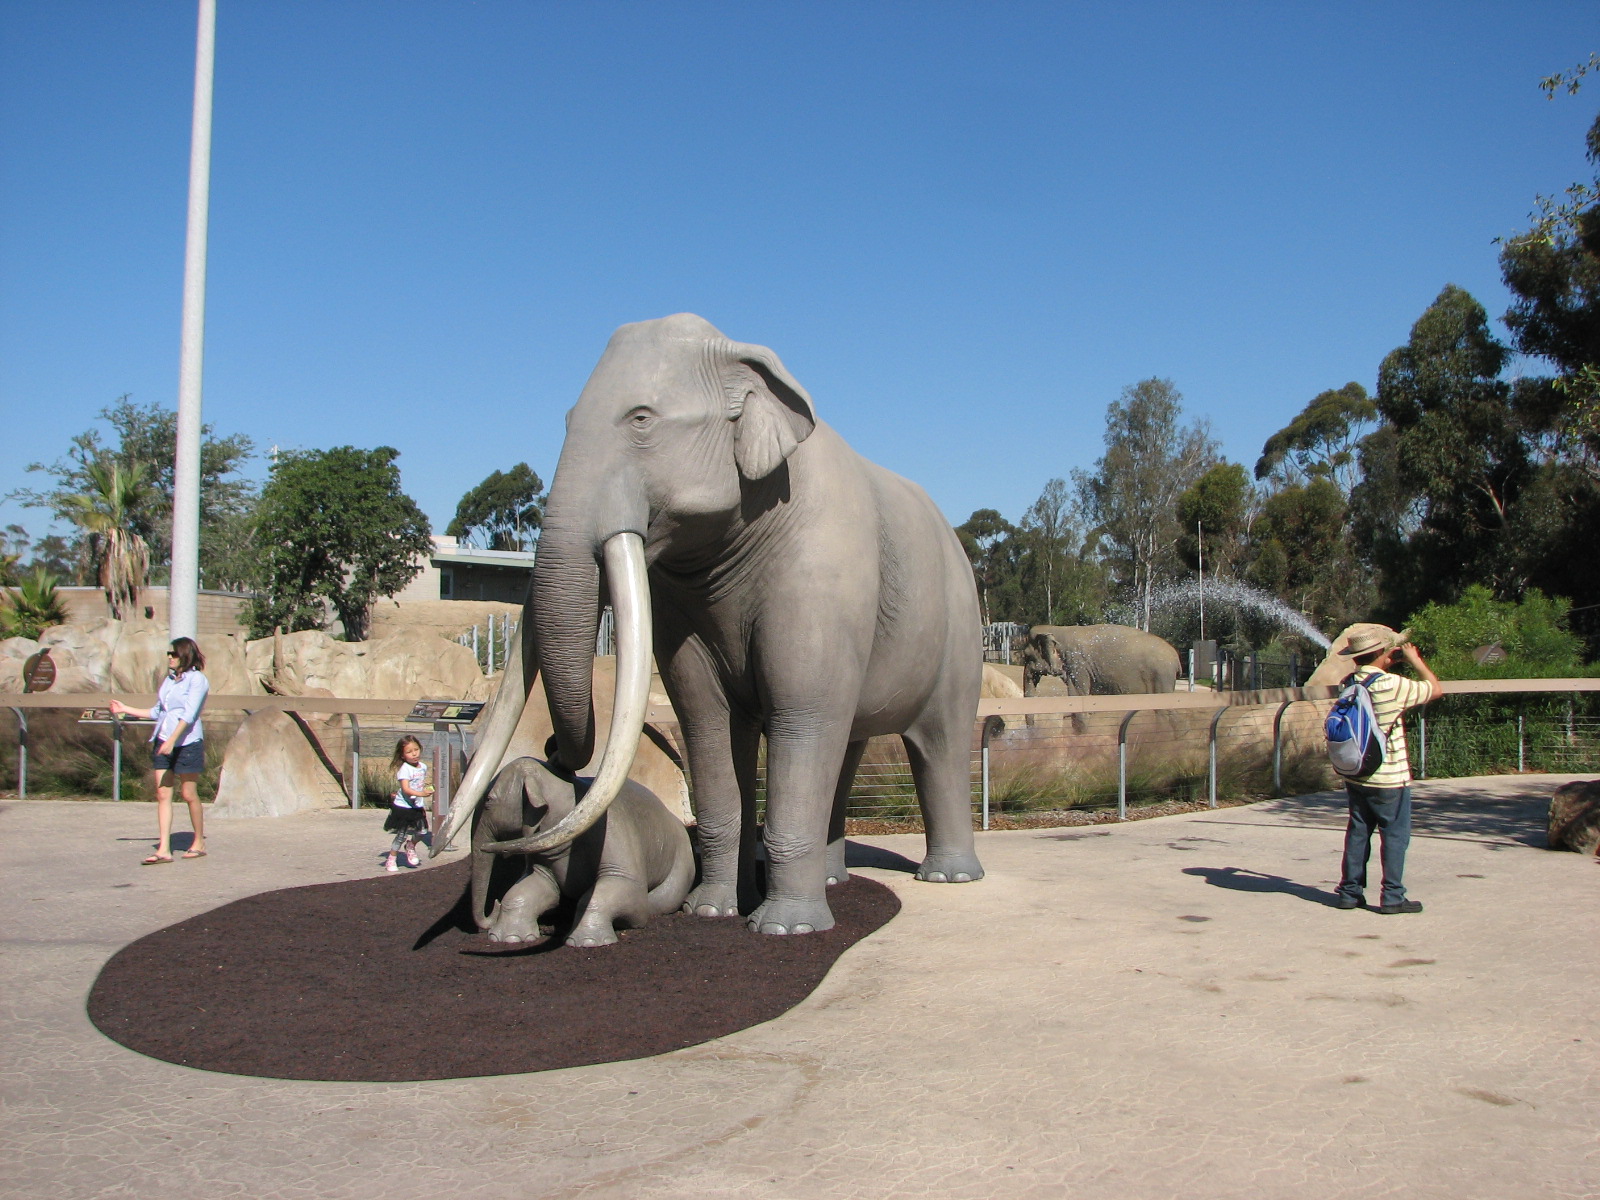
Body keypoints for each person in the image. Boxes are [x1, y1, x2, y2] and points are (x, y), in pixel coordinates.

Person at [1332, 628, 1440, 914]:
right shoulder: (1391, 684)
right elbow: (1434, 689)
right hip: (1390, 777)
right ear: (1381, 653)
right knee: (1394, 835)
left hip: (1357, 772)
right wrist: (1414, 660)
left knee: (1358, 832)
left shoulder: (1348, 683)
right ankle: (1393, 897)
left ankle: (1349, 892)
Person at [110, 637, 210, 865]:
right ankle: (164, 848)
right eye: (169, 654)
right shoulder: (169, 681)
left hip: (187, 743)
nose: (169, 658)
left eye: (173, 654)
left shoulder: (197, 680)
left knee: (188, 794)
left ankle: (198, 842)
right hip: (163, 741)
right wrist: (126, 709)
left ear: (184, 655)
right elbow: (158, 711)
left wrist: (173, 740)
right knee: (163, 793)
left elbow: (189, 714)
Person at [384, 735, 434, 872]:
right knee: (401, 835)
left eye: (416, 750)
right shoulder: (404, 769)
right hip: (404, 807)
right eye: (409, 752)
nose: (414, 754)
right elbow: (406, 789)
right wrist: (421, 794)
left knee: (422, 831)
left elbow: (419, 783)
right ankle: (391, 858)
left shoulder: (422, 767)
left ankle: (411, 846)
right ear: (402, 755)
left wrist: (425, 790)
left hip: (416, 805)